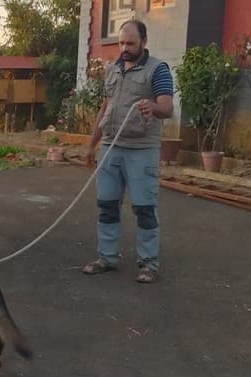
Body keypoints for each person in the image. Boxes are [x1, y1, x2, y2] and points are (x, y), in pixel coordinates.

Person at [81, 19, 174, 284]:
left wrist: (152, 107)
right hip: (111, 147)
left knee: (144, 208)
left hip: (141, 149)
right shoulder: (113, 70)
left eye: (130, 43)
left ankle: (148, 264)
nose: (124, 47)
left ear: (144, 42)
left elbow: (167, 108)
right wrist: (92, 144)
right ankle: (106, 258)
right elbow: (105, 108)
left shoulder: (158, 70)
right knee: (107, 205)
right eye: (121, 42)